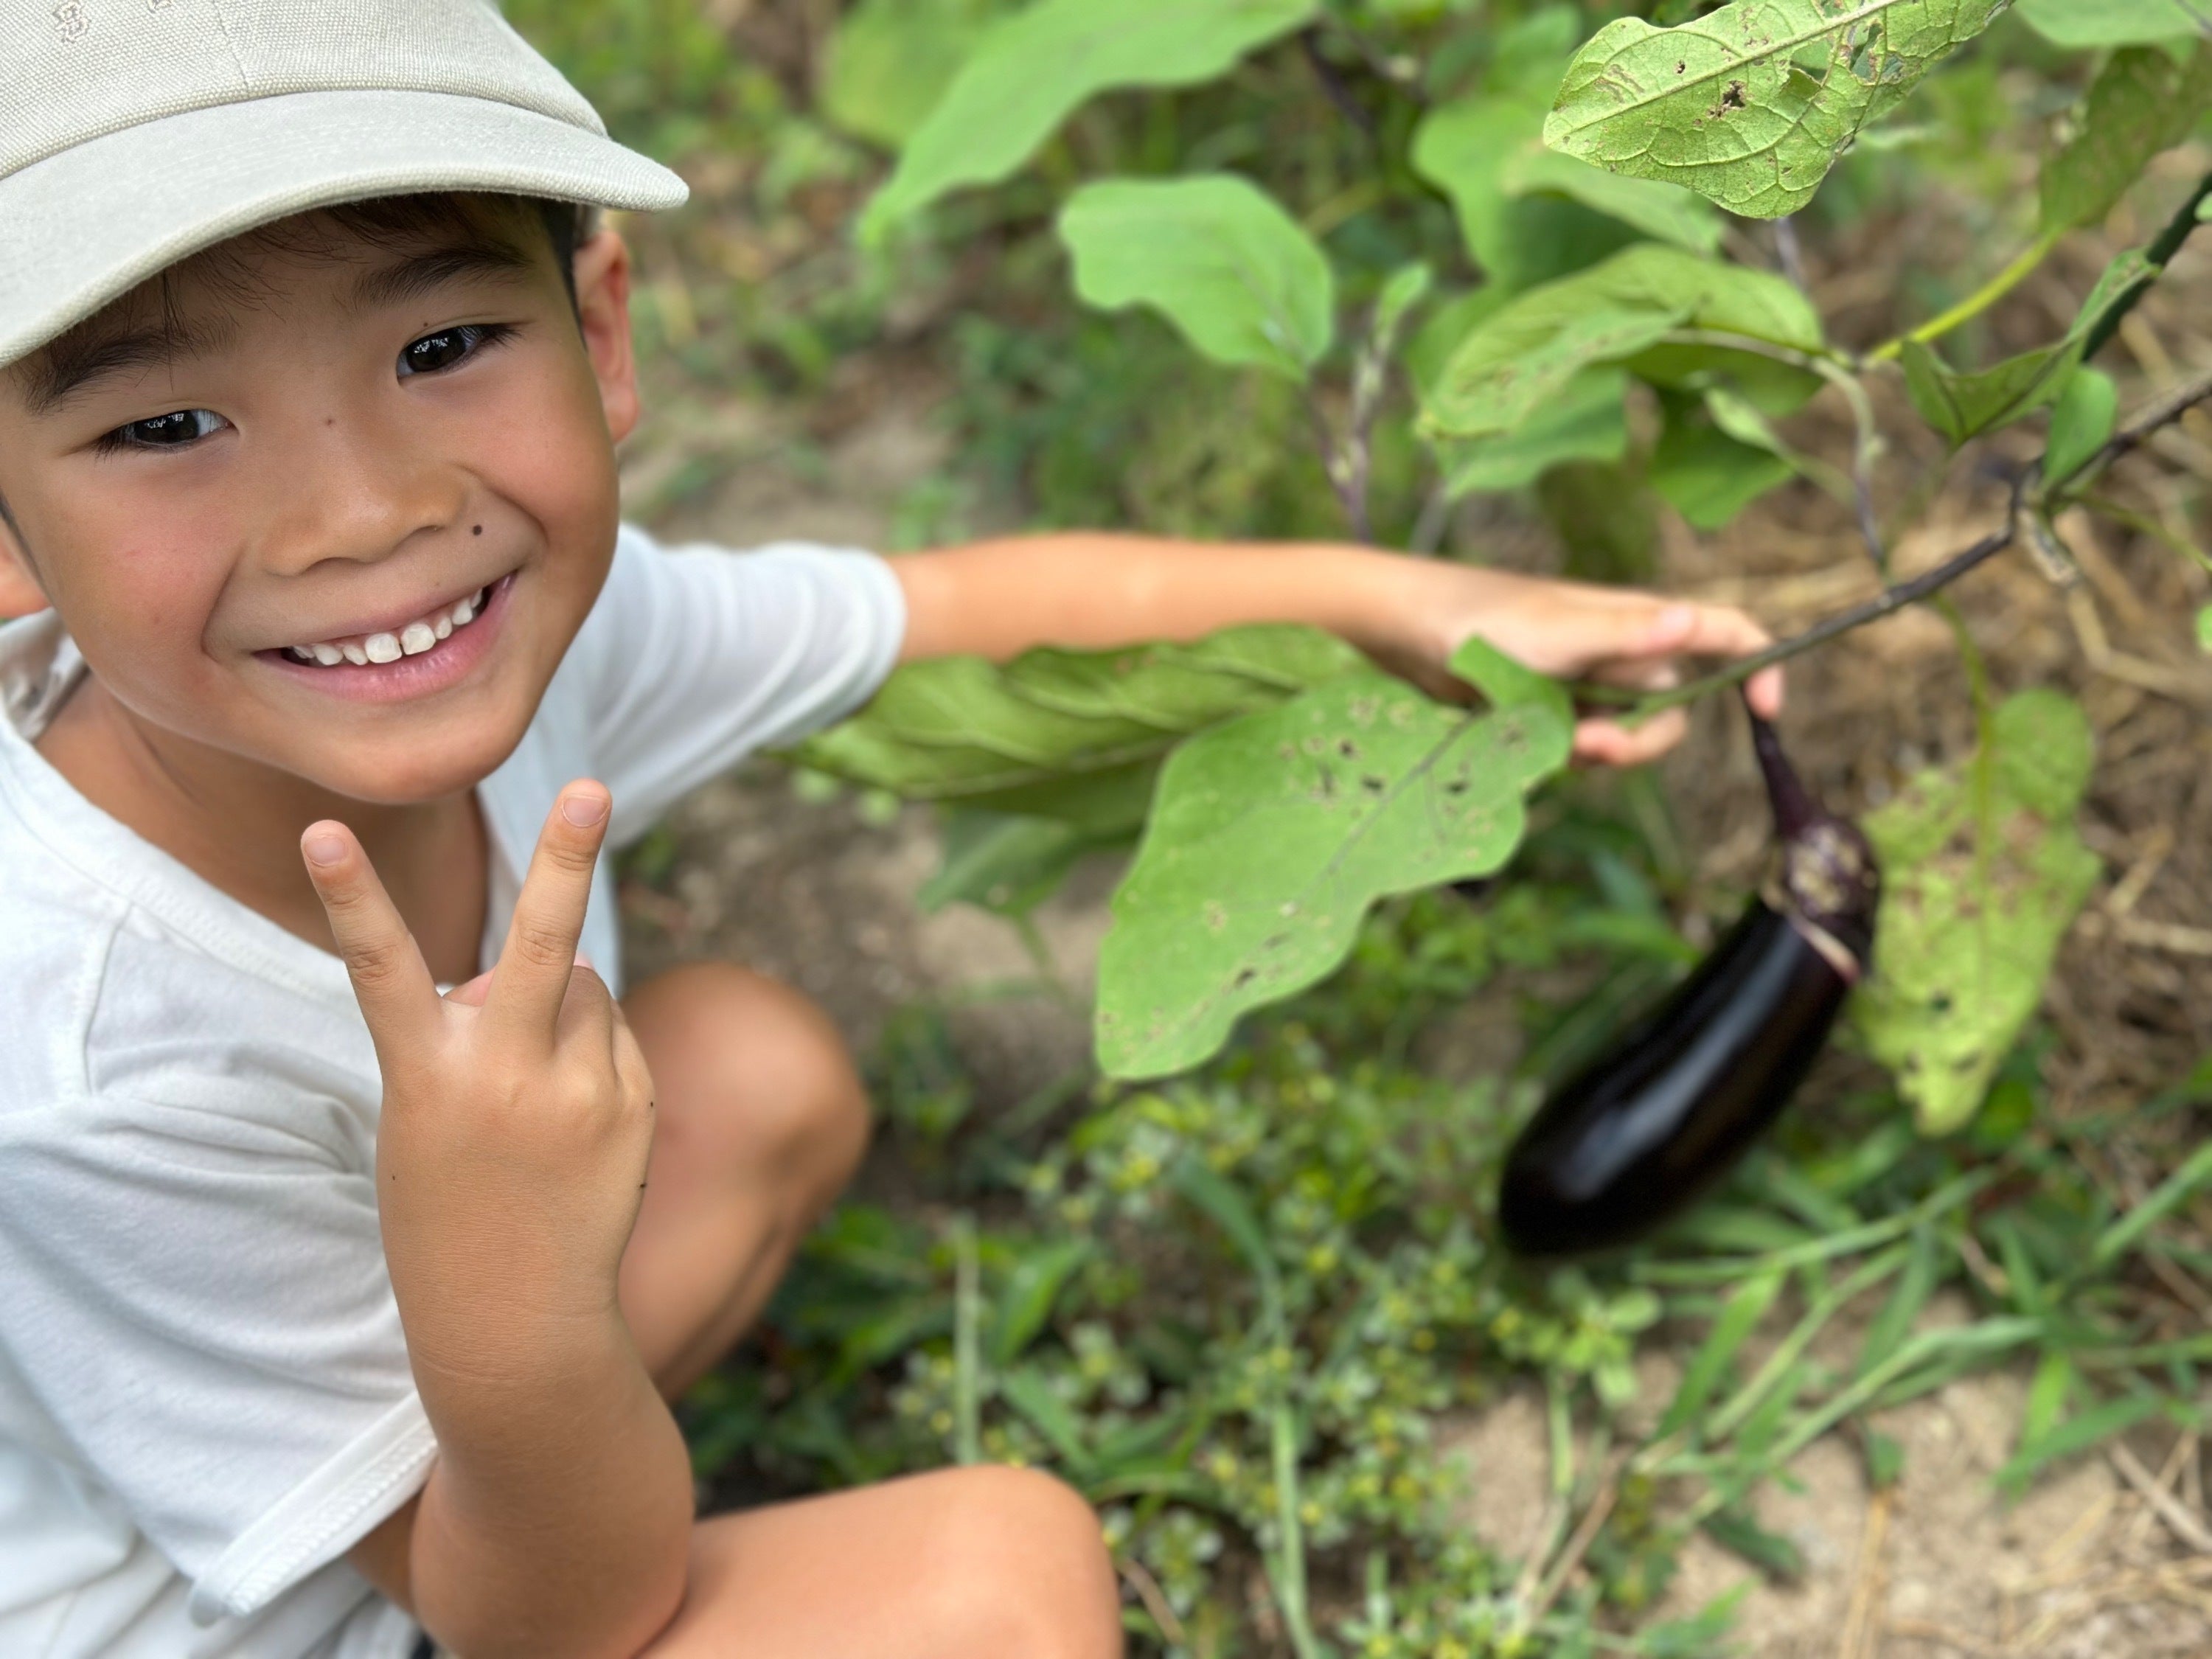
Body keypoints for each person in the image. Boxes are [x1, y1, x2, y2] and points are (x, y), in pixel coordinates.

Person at [0, 4, 1782, 1657]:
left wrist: (1398, 599)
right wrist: (513, 1302)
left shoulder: (522, 624)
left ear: (602, 331)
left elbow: (936, 610)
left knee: (752, 1076)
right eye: (167, 422)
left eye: (442, 344)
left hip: (421, 1457)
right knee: (995, 1582)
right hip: (239, 1613)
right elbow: (547, 1616)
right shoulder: (83, 1057)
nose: (364, 510)